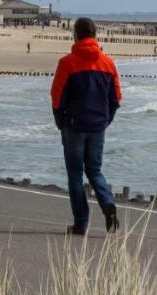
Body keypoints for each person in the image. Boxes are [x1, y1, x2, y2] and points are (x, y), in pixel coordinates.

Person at [50, 17, 122, 236]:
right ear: (95, 35)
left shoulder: (67, 62)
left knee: (75, 175)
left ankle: (81, 223)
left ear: (76, 35)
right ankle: (107, 203)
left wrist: (60, 121)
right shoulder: (108, 63)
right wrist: (105, 120)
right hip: (97, 126)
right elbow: (116, 97)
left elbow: (56, 95)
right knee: (95, 171)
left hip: (74, 126)